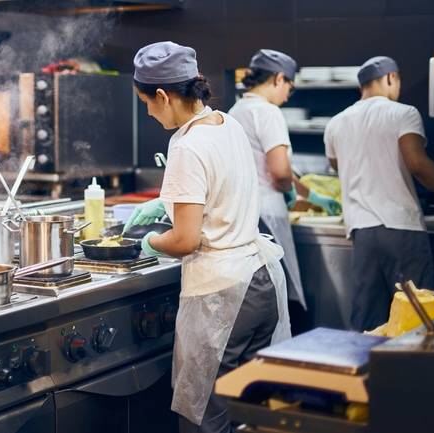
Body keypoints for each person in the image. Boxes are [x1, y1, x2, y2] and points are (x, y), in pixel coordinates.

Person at [125, 41, 291, 433]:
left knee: (205, 417)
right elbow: (220, 193)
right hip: (261, 279)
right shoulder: (226, 123)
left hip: (223, 297)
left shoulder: (186, 144)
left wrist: (149, 243)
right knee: (251, 413)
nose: (147, 112)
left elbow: (185, 240)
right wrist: (165, 204)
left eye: (146, 102)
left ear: (163, 95)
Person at [324, 55, 434, 331]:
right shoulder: (402, 113)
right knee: (418, 314)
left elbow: (337, 166)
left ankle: (364, 371)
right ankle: (414, 372)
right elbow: (418, 165)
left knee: (368, 320)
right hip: (401, 228)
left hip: (362, 230)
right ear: (390, 78)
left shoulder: (336, 123)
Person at [229, 49, 341, 321]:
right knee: (278, 292)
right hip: (268, 215)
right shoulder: (268, 112)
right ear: (278, 79)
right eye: (289, 85)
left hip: (242, 214)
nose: (289, 93)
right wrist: (290, 191)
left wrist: (308, 194)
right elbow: (279, 171)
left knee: (254, 293)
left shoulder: (235, 110)